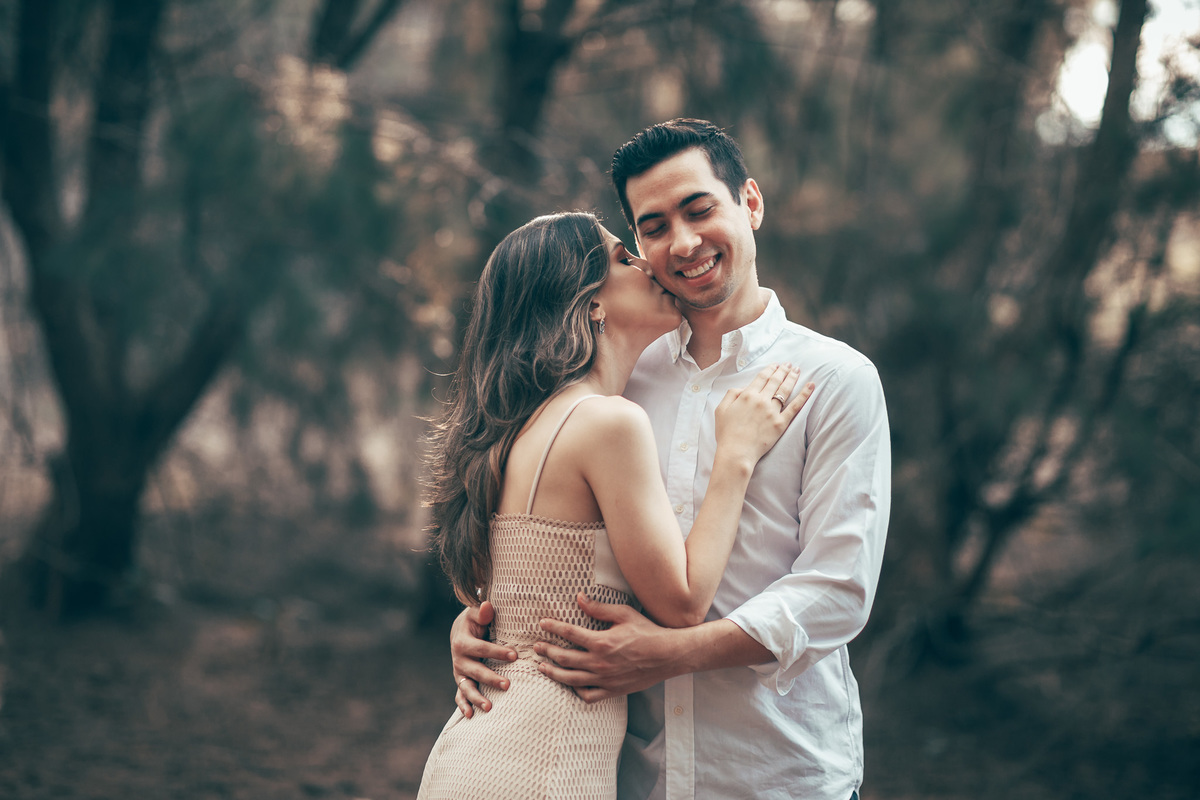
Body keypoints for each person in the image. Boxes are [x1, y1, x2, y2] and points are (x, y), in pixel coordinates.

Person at [450, 120, 891, 800]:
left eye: (699, 209)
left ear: (750, 203)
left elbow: (838, 591)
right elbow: (548, 523)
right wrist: (483, 624)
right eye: (652, 228)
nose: (683, 243)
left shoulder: (835, 379)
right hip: (630, 777)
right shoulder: (617, 375)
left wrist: (670, 653)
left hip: (776, 775)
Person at [417, 210, 814, 800]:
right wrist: (736, 455)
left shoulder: (516, 427)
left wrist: (468, 626)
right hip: (544, 765)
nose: (648, 261)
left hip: (478, 750)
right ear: (590, 303)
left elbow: (514, 592)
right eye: (623, 258)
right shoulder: (608, 421)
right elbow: (681, 605)